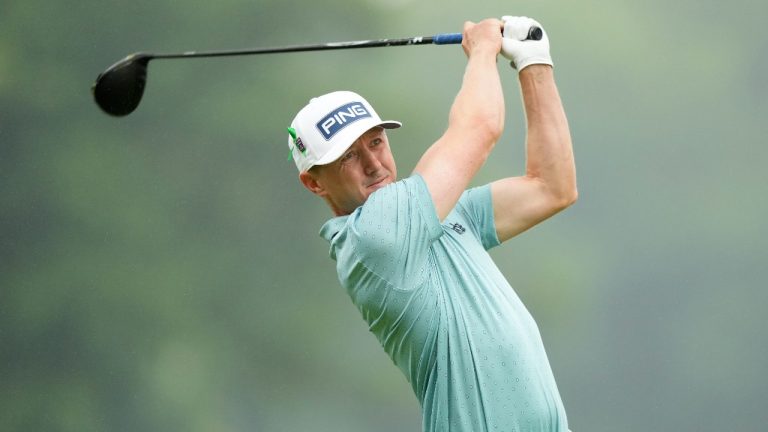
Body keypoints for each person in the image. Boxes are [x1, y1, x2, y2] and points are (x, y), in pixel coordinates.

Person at [287, 16, 576, 432]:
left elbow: (552, 187)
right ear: (314, 182)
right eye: (348, 156)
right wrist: (481, 52)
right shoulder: (373, 237)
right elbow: (480, 128)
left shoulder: (441, 213)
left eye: (376, 142)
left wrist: (534, 61)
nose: (373, 164)